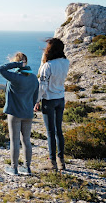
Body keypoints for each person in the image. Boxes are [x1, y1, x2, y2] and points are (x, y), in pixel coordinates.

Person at [0, 52, 39, 176]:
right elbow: (35, 97)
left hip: (14, 113)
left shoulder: (15, 77)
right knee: (26, 140)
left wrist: (17, 64)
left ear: (18, 62)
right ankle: (27, 168)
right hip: (27, 113)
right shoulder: (33, 78)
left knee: (14, 141)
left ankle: (14, 168)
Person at [34, 38, 70, 171]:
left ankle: (52, 162)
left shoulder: (47, 66)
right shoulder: (66, 62)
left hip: (49, 100)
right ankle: (61, 161)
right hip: (60, 98)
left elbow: (42, 86)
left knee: (50, 132)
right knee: (59, 131)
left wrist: (36, 101)